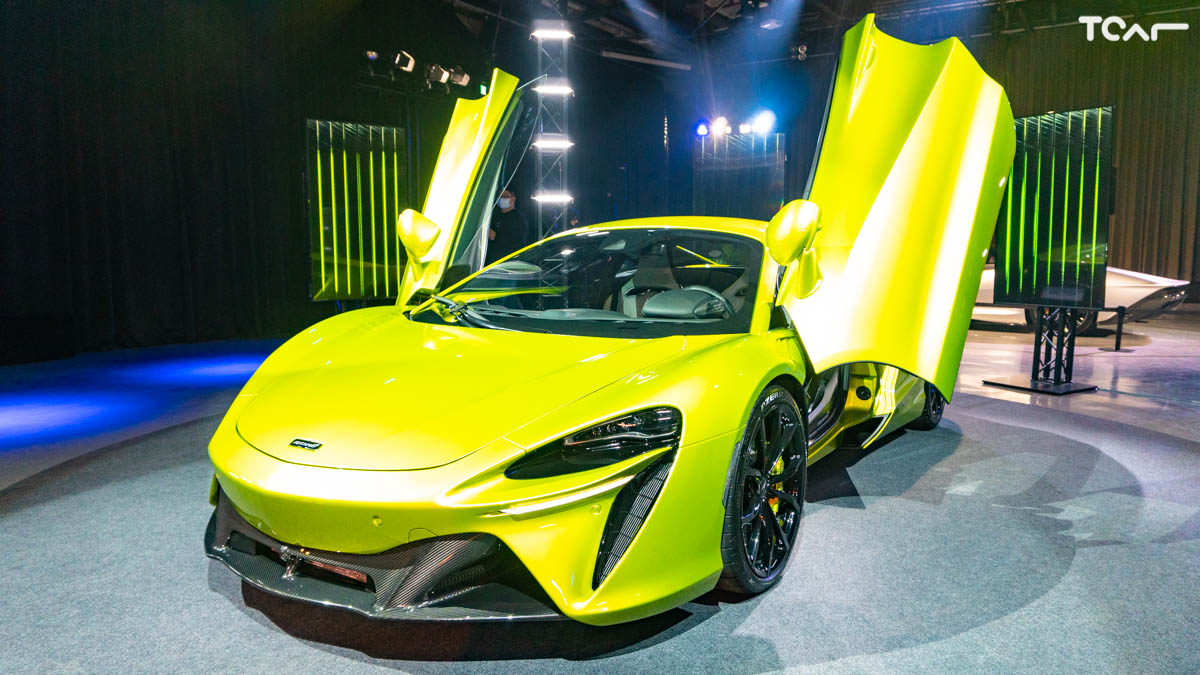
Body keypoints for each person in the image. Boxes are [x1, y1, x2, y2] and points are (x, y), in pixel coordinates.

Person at [486, 189, 531, 264]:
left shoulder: (518, 218)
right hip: (494, 261)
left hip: (510, 262)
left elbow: (518, 240)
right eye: (500, 197)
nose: (502, 199)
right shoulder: (495, 217)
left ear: (513, 198)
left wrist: (496, 237)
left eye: (505, 196)